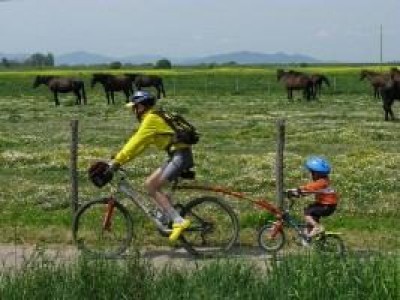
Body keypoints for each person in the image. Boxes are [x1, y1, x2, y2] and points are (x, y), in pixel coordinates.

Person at [108, 90, 193, 242]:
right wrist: (121, 160)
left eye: (134, 107)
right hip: (178, 155)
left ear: (141, 107)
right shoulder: (154, 116)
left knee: (152, 187)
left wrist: (117, 161)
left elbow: (135, 141)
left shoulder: (150, 119)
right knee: (149, 183)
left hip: (180, 156)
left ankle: (179, 221)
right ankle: (168, 216)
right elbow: (141, 146)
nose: (133, 111)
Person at [287, 156, 338, 239]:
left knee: (308, 212)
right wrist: (298, 192)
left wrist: (296, 190)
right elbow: (309, 191)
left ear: (317, 174)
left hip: (327, 206)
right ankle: (309, 235)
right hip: (325, 204)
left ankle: (317, 228)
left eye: (312, 173)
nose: (311, 175)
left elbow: (309, 188)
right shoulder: (323, 181)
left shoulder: (321, 182)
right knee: (310, 211)